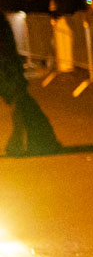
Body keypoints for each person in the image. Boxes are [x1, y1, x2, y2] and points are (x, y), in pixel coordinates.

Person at [0, 14, 61, 156]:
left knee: (18, 100)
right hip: (8, 65)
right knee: (20, 100)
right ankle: (38, 140)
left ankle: (24, 141)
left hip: (6, 66)